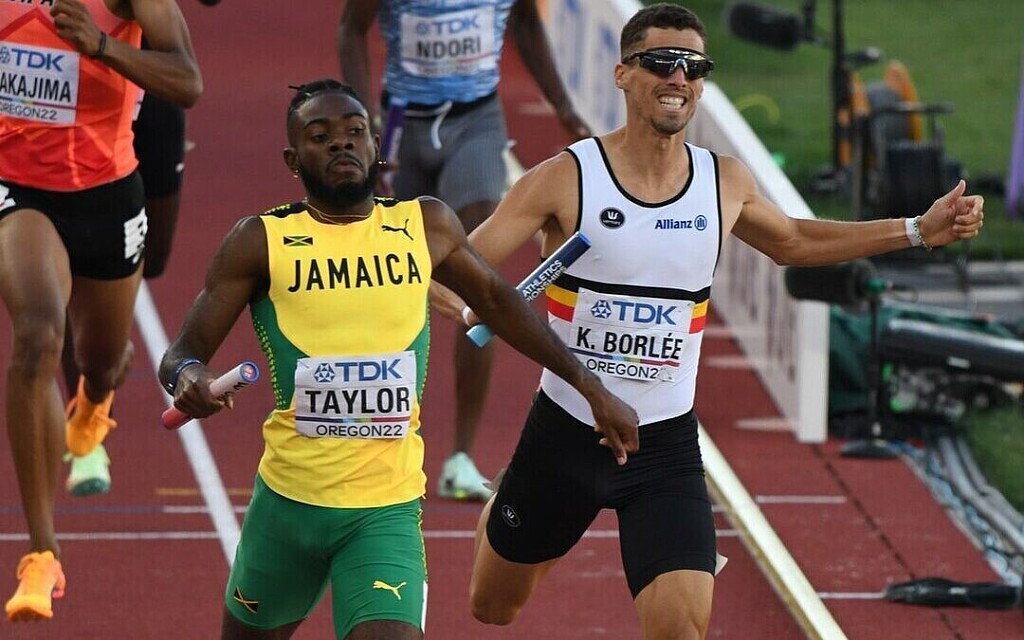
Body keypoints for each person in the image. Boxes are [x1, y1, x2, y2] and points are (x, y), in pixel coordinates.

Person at [432, 4, 985, 639]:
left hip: (663, 447)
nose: (679, 77)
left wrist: (916, 230)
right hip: (564, 438)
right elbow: (455, 266)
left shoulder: (722, 182)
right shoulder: (565, 178)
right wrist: (462, 304)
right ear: (623, 73)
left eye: (694, 67)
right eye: (662, 62)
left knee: (680, 630)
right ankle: (505, 499)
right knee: (493, 607)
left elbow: (794, 241)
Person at [157, 79, 638, 640]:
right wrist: (189, 376)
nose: (341, 144)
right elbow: (182, 354)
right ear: (293, 159)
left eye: (354, 132)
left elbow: (498, 301)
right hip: (288, 507)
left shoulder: (424, 226)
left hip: (384, 509)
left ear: (376, 146)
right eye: (320, 136)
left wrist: (590, 387)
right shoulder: (260, 240)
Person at [338, 0, 592, 501]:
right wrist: (362, 123)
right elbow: (351, 28)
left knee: (475, 279)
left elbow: (525, 22)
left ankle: (461, 457)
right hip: (400, 124)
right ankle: (369, 440)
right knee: (389, 273)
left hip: (476, 122)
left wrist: (563, 107)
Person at [0, 0, 202, 622]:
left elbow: (187, 81)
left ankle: (92, 404)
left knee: (102, 361)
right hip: (17, 188)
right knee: (38, 336)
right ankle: (42, 552)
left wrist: (102, 45)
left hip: (106, 194)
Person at [59, 0, 221, 499]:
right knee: (68, 273)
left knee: (152, 259)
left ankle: (107, 344)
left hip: (149, 87)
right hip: (72, 99)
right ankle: (87, 432)